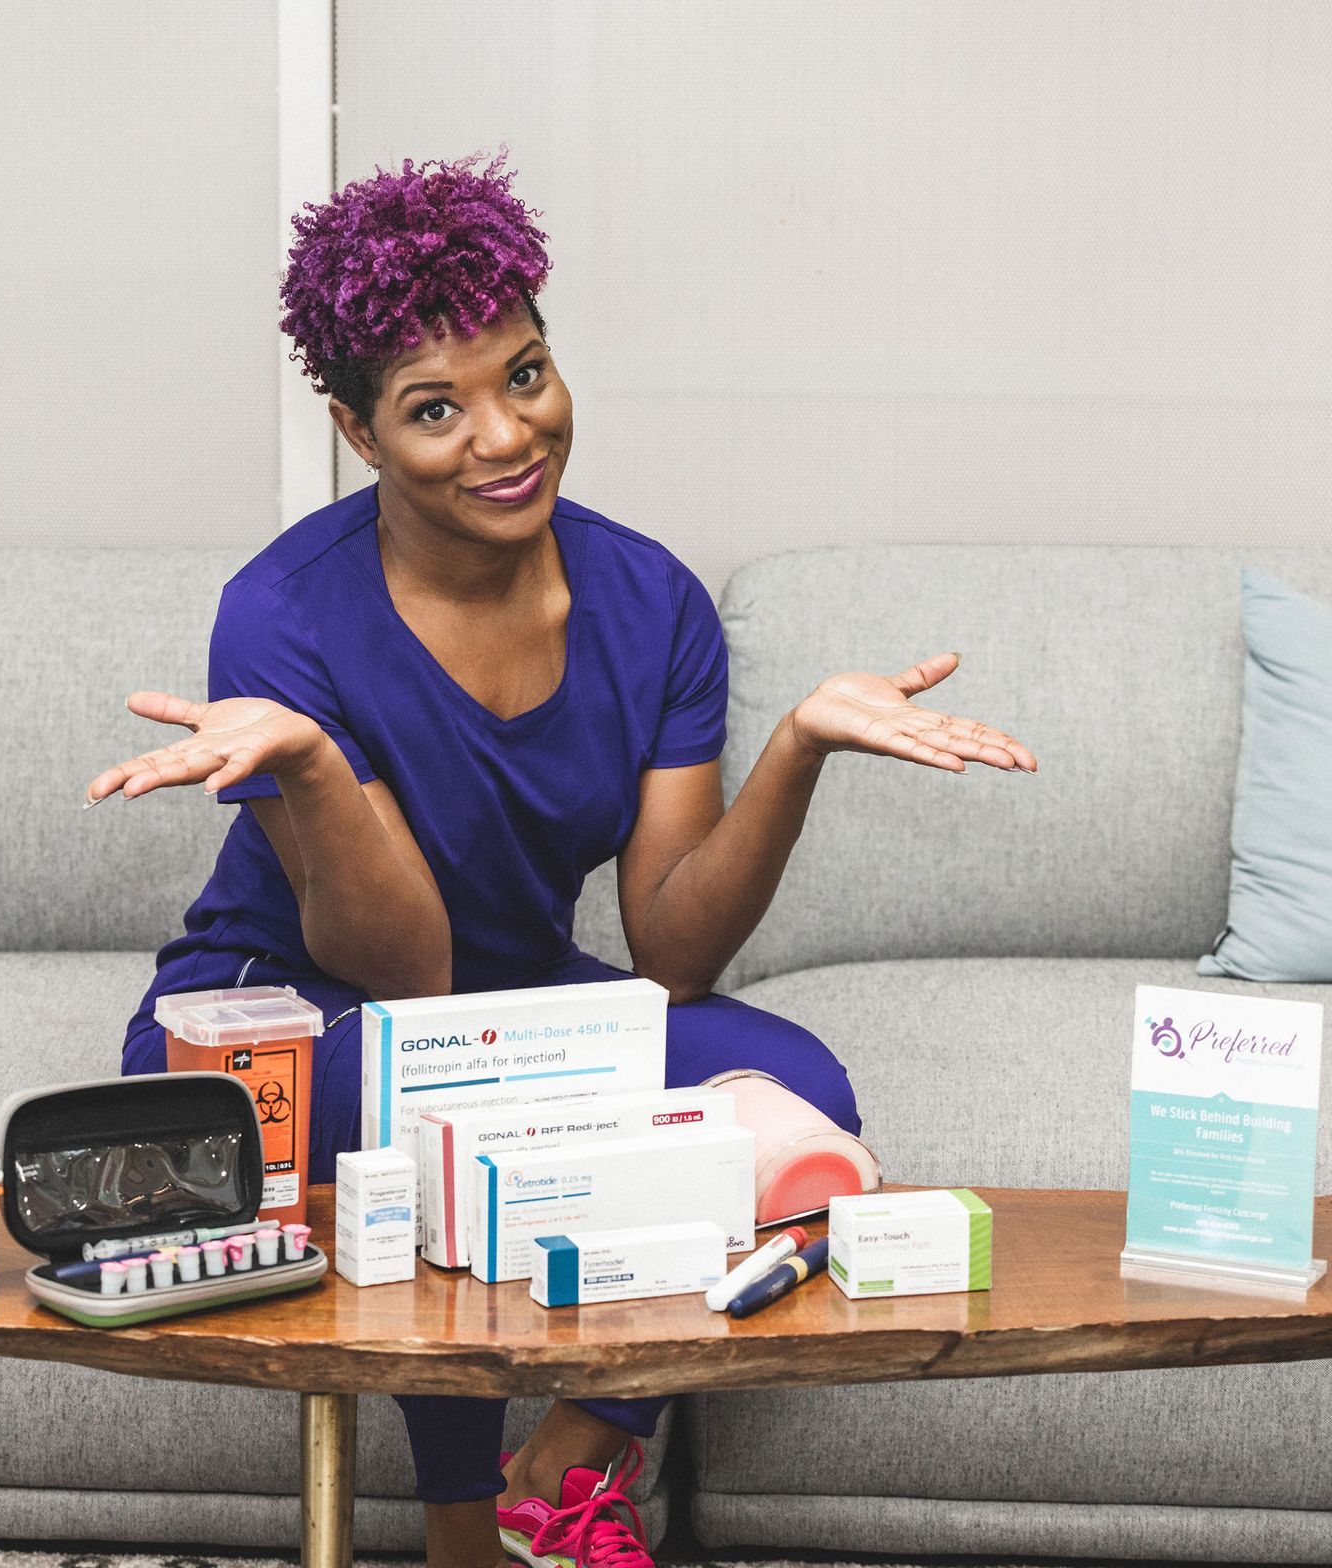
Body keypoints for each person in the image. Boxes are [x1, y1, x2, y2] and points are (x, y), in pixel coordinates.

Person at [88, 151, 1037, 1568]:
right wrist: (314, 770)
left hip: (523, 1012)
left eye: (523, 377)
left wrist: (794, 754)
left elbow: (671, 948)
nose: (500, 438)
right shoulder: (280, 614)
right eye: (433, 409)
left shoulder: (651, 600)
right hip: (283, 1020)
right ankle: (465, 1531)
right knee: (434, 1130)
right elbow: (396, 969)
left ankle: (571, 1461)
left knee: (798, 1098)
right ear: (358, 432)